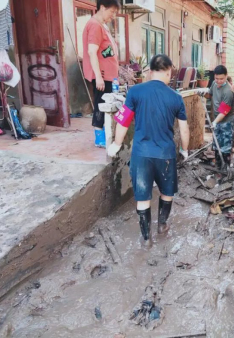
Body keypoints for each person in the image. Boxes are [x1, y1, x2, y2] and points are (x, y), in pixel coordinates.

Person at [107, 54, 190, 248]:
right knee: (167, 192)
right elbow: (184, 129)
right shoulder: (176, 98)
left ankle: (146, 239)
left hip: (141, 154)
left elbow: (123, 120)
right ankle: (162, 225)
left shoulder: (135, 92)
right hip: (166, 155)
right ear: (169, 72)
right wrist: (184, 150)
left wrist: (116, 144)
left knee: (143, 197)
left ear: (150, 71)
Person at [82, 0, 120, 148]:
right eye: (112, 12)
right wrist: (98, 77)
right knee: (101, 104)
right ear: (103, 7)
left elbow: (103, 51)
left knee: (106, 103)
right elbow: (92, 51)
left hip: (108, 75)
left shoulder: (102, 26)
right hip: (102, 76)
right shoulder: (95, 25)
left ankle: (104, 133)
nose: (113, 16)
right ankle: (99, 137)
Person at [199, 65, 234, 168]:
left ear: (226, 76)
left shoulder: (228, 91)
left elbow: (224, 111)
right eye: (216, 78)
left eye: (221, 79)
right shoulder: (214, 84)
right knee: (216, 144)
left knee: (225, 146)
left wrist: (214, 122)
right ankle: (218, 165)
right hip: (217, 120)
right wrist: (203, 94)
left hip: (226, 122)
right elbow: (210, 95)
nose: (218, 81)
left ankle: (225, 168)